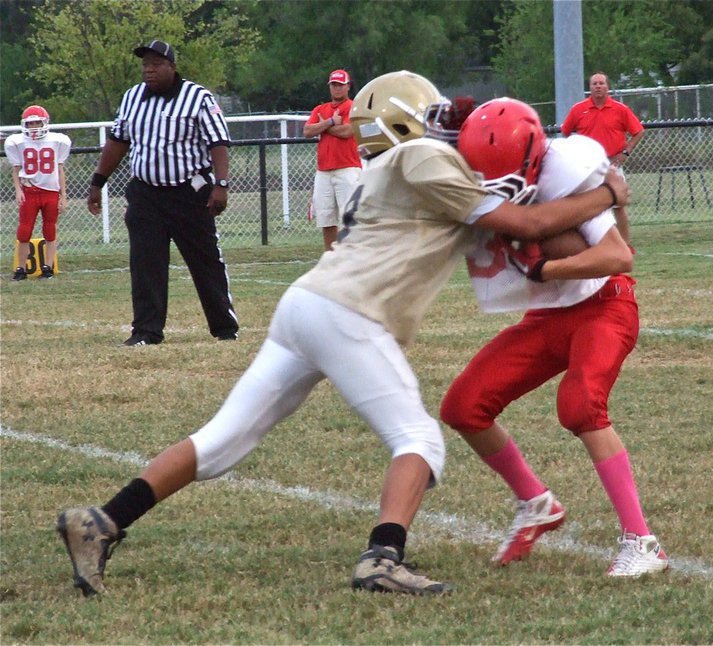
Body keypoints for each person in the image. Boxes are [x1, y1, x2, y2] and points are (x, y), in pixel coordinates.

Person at [56, 71, 629, 598]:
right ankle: (383, 557)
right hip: (349, 312)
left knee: (221, 442)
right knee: (420, 441)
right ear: (409, 122)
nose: (443, 126)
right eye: (431, 117)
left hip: (306, 307)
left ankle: (102, 521)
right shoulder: (424, 160)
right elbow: (525, 223)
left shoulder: (387, 166)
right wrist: (607, 192)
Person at [440, 98, 668, 578]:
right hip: (547, 315)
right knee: (464, 406)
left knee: (582, 405)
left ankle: (642, 541)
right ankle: (535, 502)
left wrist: (548, 268)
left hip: (605, 303)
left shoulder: (568, 175)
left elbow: (619, 256)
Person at [87, 40, 238, 346]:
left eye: (156, 64)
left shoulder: (197, 97)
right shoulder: (131, 98)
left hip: (189, 193)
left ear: (172, 67)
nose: (149, 70)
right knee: (145, 264)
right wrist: (97, 181)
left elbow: (218, 143)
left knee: (205, 261)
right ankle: (146, 331)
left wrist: (221, 185)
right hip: (146, 194)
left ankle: (224, 328)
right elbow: (118, 141)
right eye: (145, 65)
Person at [561, 72, 645, 245]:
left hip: (612, 164)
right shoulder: (578, 109)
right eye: (594, 84)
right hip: (586, 166)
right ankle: (587, 243)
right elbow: (565, 132)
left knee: (618, 205)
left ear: (607, 87)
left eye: (601, 83)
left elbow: (638, 131)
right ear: (589, 88)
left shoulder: (619, 109)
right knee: (585, 205)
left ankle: (625, 245)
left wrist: (626, 152)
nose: (598, 86)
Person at [4, 105, 71, 280]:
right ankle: (20, 269)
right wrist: (18, 190)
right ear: (25, 124)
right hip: (30, 191)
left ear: (45, 122)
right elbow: (16, 169)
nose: (34, 126)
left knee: (50, 230)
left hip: (51, 191)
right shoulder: (17, 141)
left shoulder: (58, 140)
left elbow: (60, 169)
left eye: (37, 122)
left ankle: (47, 267)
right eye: (31, 123)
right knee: (24, 230)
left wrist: (63, 195)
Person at [303, 69, 362, 251]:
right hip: (324, 171)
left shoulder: (354, 107)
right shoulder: (320, 109)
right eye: (333, 85)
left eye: (340, 85)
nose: (336, 89)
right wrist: (329, 122)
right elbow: (307, 131)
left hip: (348, 168)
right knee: (326, 219)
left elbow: (346, 132)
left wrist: (322, 126)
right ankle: (331, 257)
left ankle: (351, 257)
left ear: (347, 87)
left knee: (350, 218)